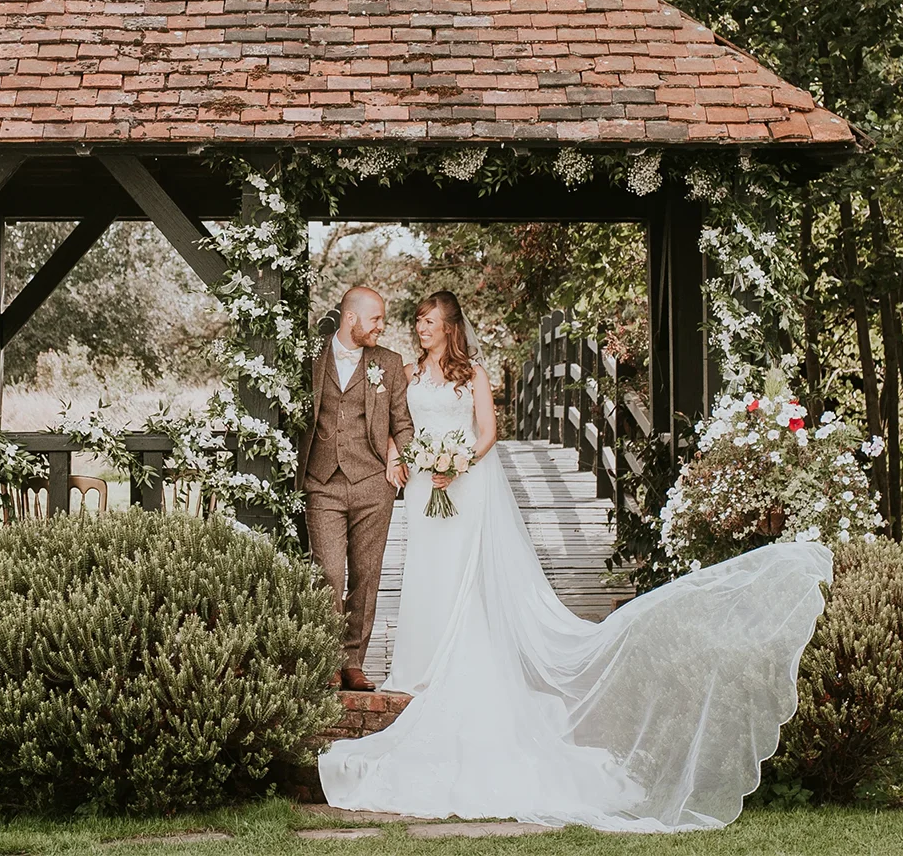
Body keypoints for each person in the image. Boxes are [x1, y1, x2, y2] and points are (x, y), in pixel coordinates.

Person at [318, 290, 834, 832]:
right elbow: (399, 422)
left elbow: (489, 433)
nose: (419, 328)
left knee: (461, 576)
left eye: (427, 322)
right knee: (426, 573)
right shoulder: (404, 369)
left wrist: (459, 462)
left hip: (463, 485)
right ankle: (416, 665)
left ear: (449, 326)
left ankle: (453, 658)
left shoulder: (473, 373)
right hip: (425, 488)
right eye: (417, 321)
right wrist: (412, 458)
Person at [301, 285, 414, 693]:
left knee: (366, 575)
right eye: (376, 319)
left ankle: (353, 662)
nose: (382, 327)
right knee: (328, 572)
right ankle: (327, 658)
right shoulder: (309, 359)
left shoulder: (388, 362)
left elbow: (401, 421)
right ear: (351, 319)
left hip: (372, 484)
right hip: (321, 481)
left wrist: (400, 453)